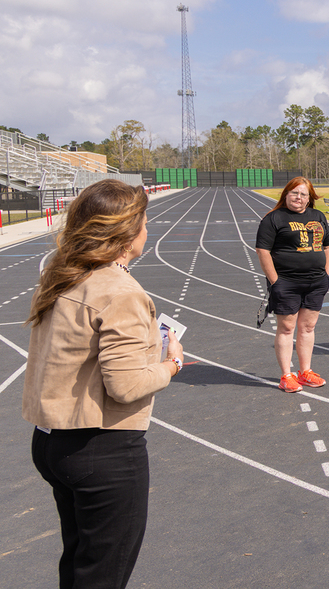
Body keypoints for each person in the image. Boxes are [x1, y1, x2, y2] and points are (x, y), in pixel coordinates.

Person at [23, 179, 185, 589]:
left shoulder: (60, 274)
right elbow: (127, 386)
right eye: (145, 221)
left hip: (52, 440)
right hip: (102, 448)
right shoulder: (120, 290)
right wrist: (171, 363)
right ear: (127, 233)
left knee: (80, 562)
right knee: (102, 576)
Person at [256, 176, 329, 391]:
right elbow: (263, 251)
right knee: (287, 328)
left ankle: (305, 371)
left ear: (309, 198)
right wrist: (275, 281)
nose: (298, 197)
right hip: (287, 282)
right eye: (294, 193)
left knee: (308, 327)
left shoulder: (318, 216)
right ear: (286, 194)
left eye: (303, 194)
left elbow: (328, 246)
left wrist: (327, 274)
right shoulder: (273, 218)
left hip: (316, 282)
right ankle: (286, 375)